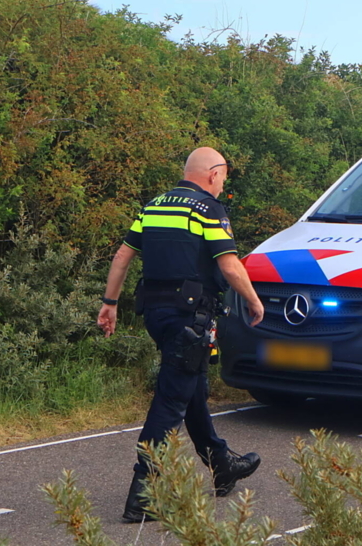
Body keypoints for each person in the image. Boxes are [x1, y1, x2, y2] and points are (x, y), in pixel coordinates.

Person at [97, 147, 266, 524]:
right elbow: (230, 265)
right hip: (190, 319)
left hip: (155, 316)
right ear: (212, 174)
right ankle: (144, 493)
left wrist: (110, 302)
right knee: (171, 400)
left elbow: (123, 255)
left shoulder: (154, 206)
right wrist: (254, 301)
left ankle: (221, 463)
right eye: (223, 176)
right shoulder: (207, 209)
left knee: (192, 388)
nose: (223, 185)